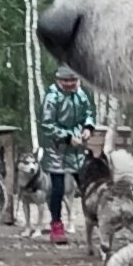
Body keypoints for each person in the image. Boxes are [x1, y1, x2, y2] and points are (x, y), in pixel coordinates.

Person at [38, 69, 96, 239]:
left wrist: (88, 128)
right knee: (58, 189)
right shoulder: (51, 97)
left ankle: (91, 220)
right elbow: (47, 125)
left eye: (74, 80)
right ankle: (56, 224)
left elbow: (88, 114)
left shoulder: (80, 94)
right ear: (58, 80)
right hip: (57, 150)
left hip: (78, 150)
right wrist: (67, 137)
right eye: (66, 81)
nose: (71, 84)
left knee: (87, 186)